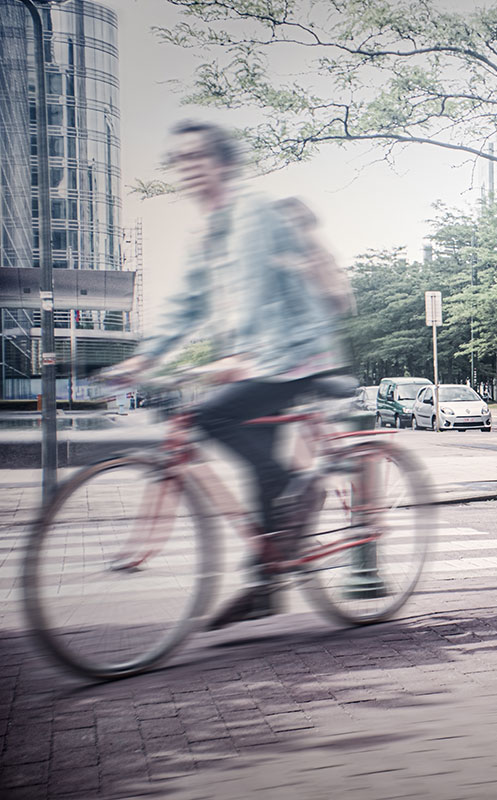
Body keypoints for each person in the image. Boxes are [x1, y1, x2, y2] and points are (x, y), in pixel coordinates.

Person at [106, 121, 346, 629]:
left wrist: (235, 359)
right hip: (266, 360)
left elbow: (257, 297)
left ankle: (297, 488)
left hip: (295, 355)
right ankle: (267, 582)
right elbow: (184, 306)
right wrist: (144, 359)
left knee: (206, 418)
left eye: (198, 158)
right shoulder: (205, 235)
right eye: (180, 160)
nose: (188, 169)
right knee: (258, 466)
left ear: (224, 165)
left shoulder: (252, 213)